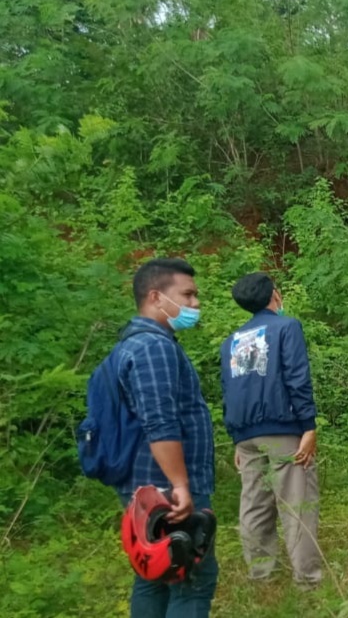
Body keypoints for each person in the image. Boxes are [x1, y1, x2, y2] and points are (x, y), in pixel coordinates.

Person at [117, 258, 218, 616]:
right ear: (156, 297)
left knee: (156, 574)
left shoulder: (135, 343)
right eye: (187, 295)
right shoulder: (154, 348)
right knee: (190, 576)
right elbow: (159, 422)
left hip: (150, 486)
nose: (195, 304)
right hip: (167, 490)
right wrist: (181, 485)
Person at [220, 272, 321, 589]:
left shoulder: (232, 341)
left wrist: (238, 440)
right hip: (282, 430)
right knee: (297, 505)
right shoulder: (286, 327)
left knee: (254, 506)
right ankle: (308, 581)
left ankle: (262, 577)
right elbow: (296, 376)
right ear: (275, 294)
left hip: (246, 436)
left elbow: (230, 389)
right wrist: (308, 425)